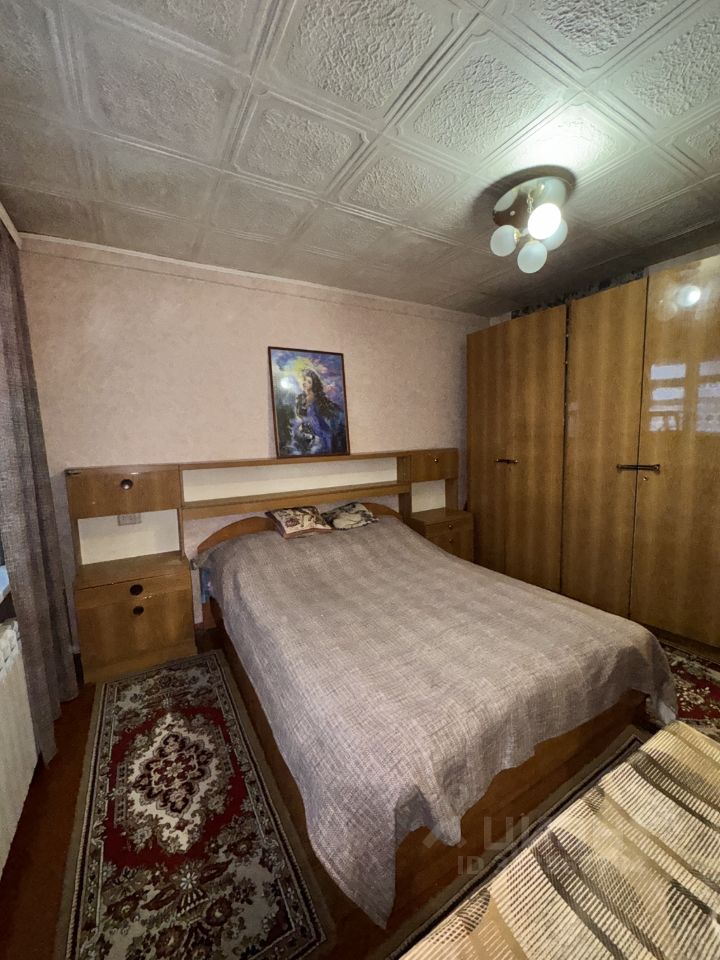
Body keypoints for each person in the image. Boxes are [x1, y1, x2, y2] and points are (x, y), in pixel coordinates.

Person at [291, 368, 347, 455]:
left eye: (309, 382)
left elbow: (334, 412)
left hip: (321, 433)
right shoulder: (300, 398)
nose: (305, 383)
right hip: (308, 433)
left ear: (313, 385)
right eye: (305, 380)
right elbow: (301, 414)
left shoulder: (319, 398)